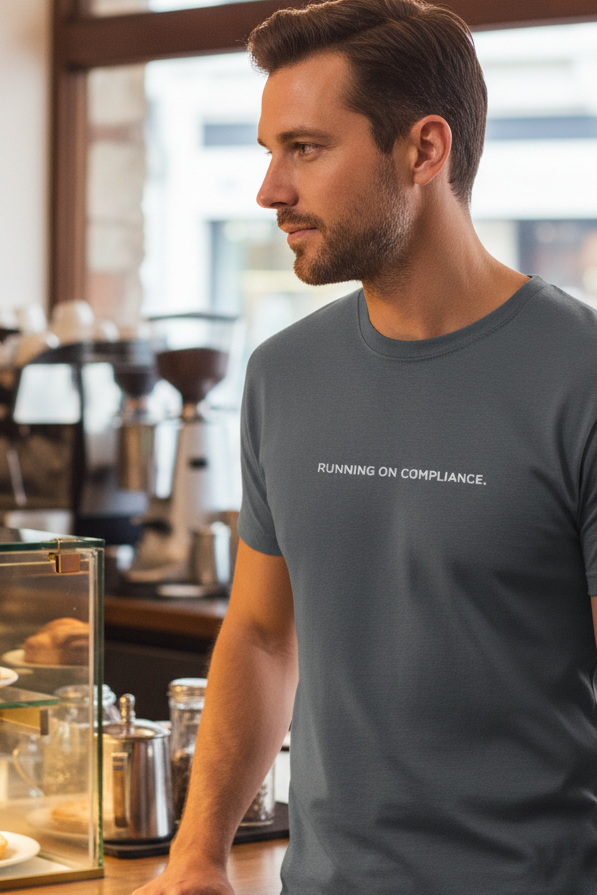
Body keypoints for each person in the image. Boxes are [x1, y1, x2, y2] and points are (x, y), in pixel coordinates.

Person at [133, 1, 597, 893]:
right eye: (269, 151)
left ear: (424, 150)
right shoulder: (281, 374)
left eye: (303, 148)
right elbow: (263, 635)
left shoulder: (577, 375)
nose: (270, 189)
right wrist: (198, 853)